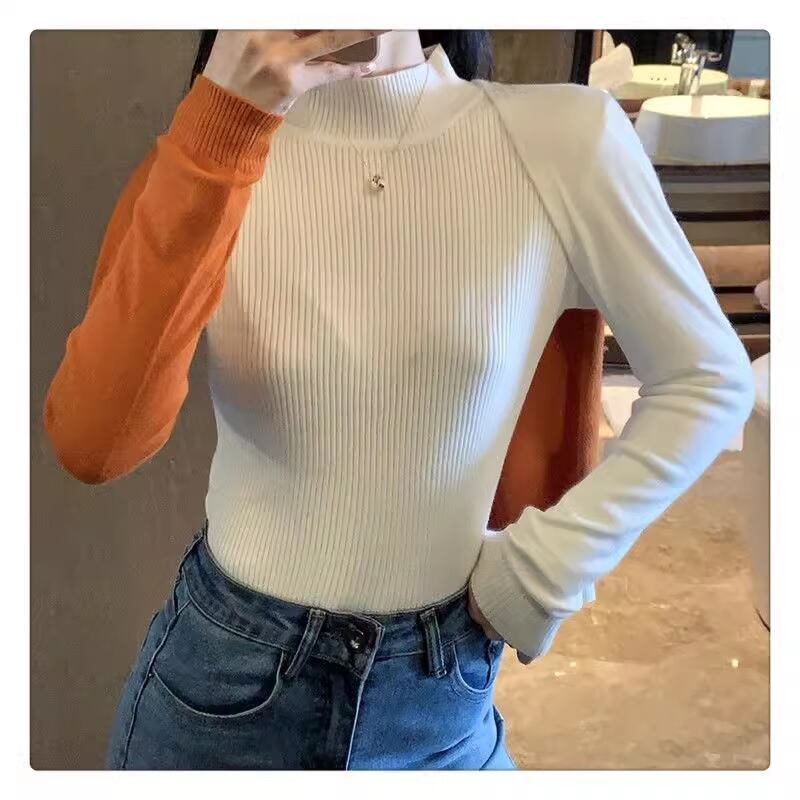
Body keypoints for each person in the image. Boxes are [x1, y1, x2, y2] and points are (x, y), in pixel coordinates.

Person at [43, 30, 755, 770]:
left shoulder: (563, 139)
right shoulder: (211, 149)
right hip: (221, 688)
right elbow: (95, 443)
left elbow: (708, 377)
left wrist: (545, 568)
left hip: (439, 699)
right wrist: (223, 117)